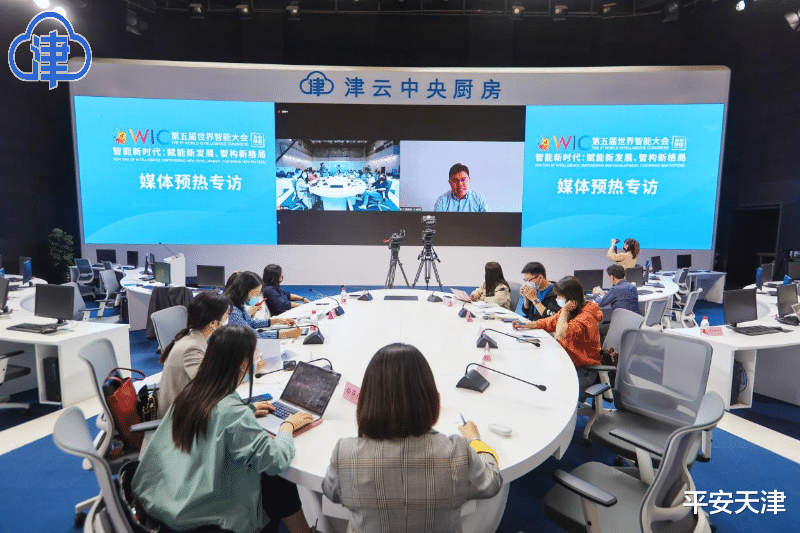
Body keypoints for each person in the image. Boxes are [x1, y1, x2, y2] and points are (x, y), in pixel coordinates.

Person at [133, 326, 316, 533]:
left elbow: (216, 418)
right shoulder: (232, 413)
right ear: (243, 364)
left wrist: (248, 409)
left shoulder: (193, 391)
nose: (257, 360)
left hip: (166, 495)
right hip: (200, 519)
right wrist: (287, 426)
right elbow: (275, 460)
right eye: (255, 356)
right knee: (277, 480)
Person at [321, 343, 503, 532]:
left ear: (367, 400)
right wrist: (476, 441)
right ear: (432, 398)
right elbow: (492, 484)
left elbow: (331, 491)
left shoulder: (346, 453)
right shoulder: (457, 451)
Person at [513, 276, 603, 393]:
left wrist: (565, 311)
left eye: (560, 296)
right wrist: (527, 325)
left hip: (583, 369)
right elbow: (550, 321)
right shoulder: (573, 310)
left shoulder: (585, 317)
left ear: (571, 299)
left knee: (545, 382)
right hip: (568, 361)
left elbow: (561, 334)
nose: (557, 299)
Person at [157, 291, 231, 418]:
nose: (227, 318)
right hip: (179, 419)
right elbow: (210, 387)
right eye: (226, 314)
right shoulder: (192, 347)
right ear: (213, 323)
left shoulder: (192, 337)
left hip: (186, 408)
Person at [224, 271, 301, 339]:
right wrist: (285, 334)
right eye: (256, 293)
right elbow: (251, 336)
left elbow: (251, 323)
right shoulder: (232, 311)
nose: (256, 297)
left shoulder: (238, 304)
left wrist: (277, 320)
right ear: (245, 290)